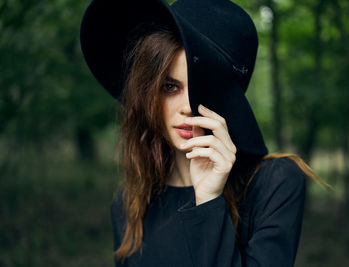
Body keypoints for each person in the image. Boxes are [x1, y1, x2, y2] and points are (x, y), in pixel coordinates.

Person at [80, 0, 329, 266]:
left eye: (201, 87)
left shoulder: (274, 182)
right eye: (170, 87)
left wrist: (209, 200)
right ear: (149, 94)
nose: (187, 106)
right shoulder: (129, 204)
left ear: (226, 98)